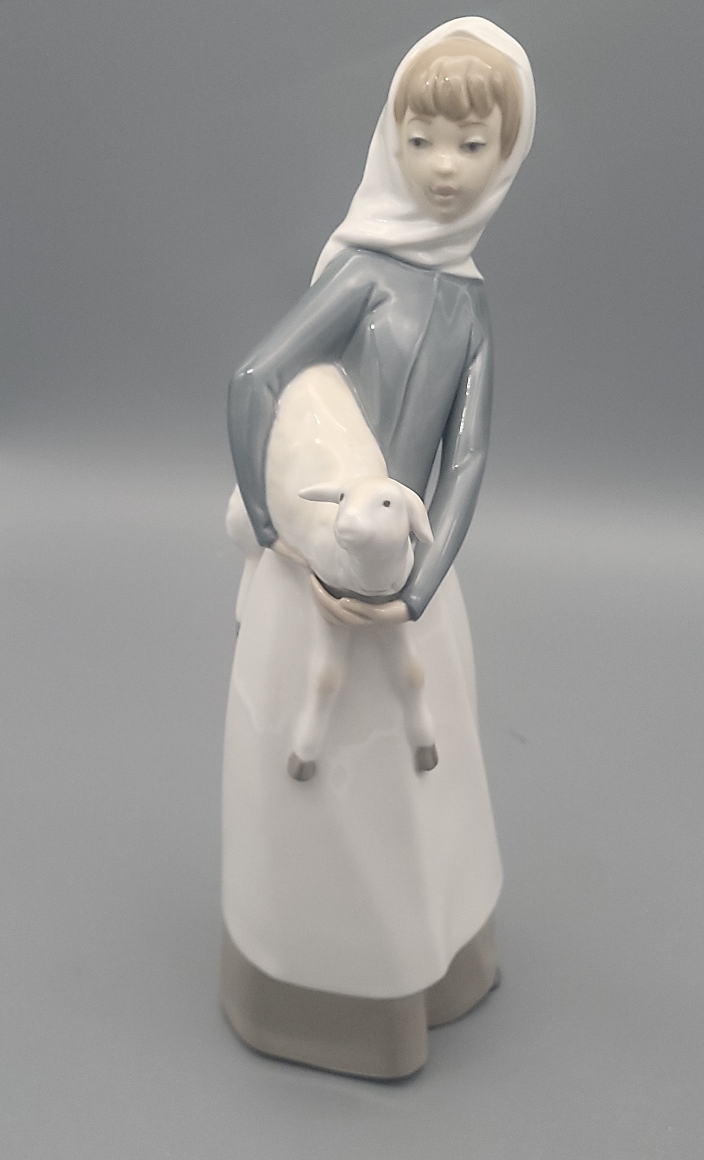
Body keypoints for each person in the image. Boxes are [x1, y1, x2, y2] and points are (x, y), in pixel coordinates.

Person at [221, 17, 536, 1078]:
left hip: (404, 583)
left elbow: (467, 457)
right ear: (390, 140)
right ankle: (322, 992)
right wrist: (280, 535)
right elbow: (256, 381)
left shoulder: (468, 303)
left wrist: (417, 586)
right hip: (331, 572)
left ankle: (428, 964)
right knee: (331, 784)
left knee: (415, 778)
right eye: (422, 139)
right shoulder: (360, 271)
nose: (445, 168)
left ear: (508, 155)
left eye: (473, 144)